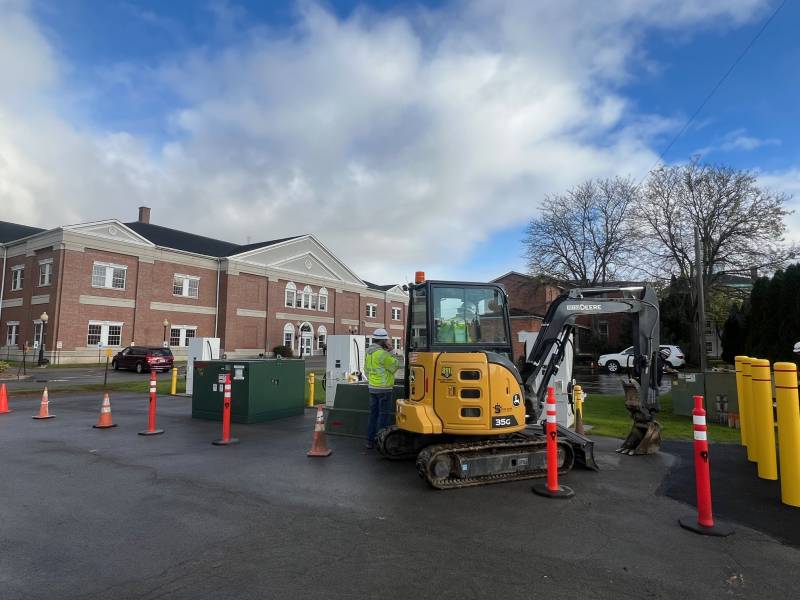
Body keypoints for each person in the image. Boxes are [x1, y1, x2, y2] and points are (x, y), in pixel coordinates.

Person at [364, 328, 400, 449]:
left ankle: (369, 441)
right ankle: (380, 441)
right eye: (386, 340)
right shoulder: (383, 354)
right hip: (384, 389)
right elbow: (395, 366)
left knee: (373, 415)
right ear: (383, 341)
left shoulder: (369, 353)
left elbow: (366, 370)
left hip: (372, 388)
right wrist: (391, 351)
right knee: (383, 416)